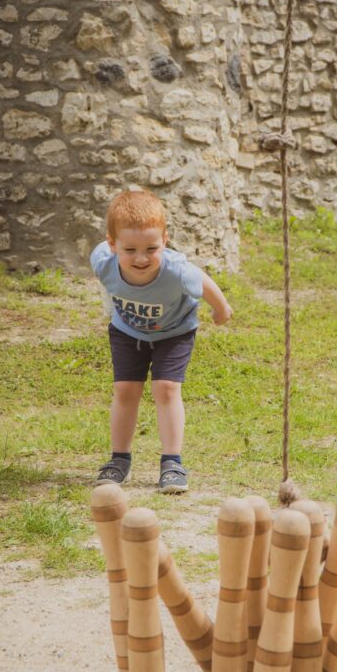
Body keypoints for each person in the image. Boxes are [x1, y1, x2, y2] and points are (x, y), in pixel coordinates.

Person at [90, 188, 232, 493]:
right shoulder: (102, 260)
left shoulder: (176, 270)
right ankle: (119, 459)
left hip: (175, 332)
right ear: (112, 244)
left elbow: (204, 282)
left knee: (166, 389)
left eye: (151, 248)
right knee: (125, 390)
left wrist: (221, 309)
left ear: (164, 241)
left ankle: (172, 463)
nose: (141, 258)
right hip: (127, 332)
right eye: (130, 250)